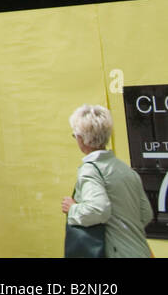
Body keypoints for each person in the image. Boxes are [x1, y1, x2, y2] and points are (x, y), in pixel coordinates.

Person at [61, 104, 153, 258]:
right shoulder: (125, 169)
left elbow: (98, 210)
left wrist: (72, 208)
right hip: (139, 250)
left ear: (81, 138)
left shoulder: (90, 170)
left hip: (115, 252)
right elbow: (146, 213)